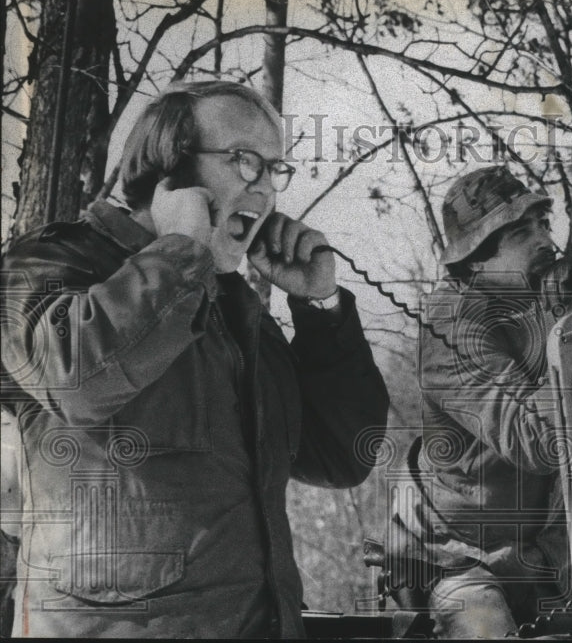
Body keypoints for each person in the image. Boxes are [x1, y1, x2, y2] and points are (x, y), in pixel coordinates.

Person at [0, 81, 389, 638]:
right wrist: (182, 252)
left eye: (274, 169)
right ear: (168, 171)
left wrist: (321, 309)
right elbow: (77, 380)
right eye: (243, 161)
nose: (265, 190)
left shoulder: (234, 309)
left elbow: (340, 458)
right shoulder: (46, 263)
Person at [390, 166, 571, 639]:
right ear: (474, 260)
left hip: (545, 553)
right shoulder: (454, 330)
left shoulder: (536, 303)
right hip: (456, 559)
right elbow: (538, 441)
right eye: (519, 233)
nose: (545, 242)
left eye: (544, 224)